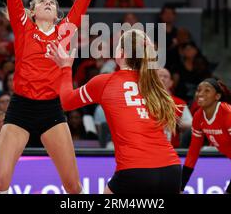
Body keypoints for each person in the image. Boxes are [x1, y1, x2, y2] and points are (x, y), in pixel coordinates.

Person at [0, 0, 94, 194]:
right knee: (0, 182)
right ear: (32, 11)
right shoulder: (23, 25)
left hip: (52, 110)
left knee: (73, 186)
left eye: (51, 2)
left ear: (58, 13)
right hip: (21, 108)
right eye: (42, 1)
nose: (48, 2)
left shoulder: (66, 29)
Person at [49, 29, 182, 194]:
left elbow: (67, 102)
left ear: (121, 53)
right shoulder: (153, 85)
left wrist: (66, 68)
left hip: (135, 170)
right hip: (171, 170)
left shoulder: (105, 82)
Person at [157, 68, 192, 148]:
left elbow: (191, 126)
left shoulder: (180, 103)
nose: (162, 79)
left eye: (165, 77)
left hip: (173, 149)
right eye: (159, 76)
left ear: (171, 83)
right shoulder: (143, 100)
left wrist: (176, 122)